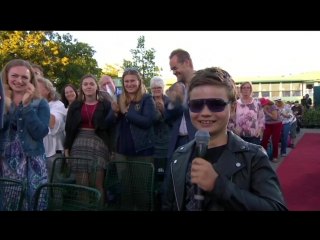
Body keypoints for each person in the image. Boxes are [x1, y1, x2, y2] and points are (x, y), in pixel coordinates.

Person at [162, 67, 288, 211]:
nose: (205, 113)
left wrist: (218, 185)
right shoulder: (180, 156)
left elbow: (276, 207)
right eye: (196, 105)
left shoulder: (253, 157)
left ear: (233, 108)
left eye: (216, 104)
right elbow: (169, 204)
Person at [0, 59, 50, 211]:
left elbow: (40, 133)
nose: (19, 81)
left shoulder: (40, 103)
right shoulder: (1, 101)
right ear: (7, 77)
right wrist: (6, 105)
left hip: (32, 160)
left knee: (33, 202)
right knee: (8, 203)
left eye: (24, 77)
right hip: (5, 161)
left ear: (31, 80)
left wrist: (27, 106)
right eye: (14, 76)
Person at [64, 74, 116, 208]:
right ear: (81, 87)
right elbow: (69, 129)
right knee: (82, 185)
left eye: (91, 84)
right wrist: (67, 149)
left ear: (96, 86)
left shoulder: (105, 104)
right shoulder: (75, 105)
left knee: (97, 184)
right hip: (78, 144)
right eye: (85, 84)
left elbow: (111, 128)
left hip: (99, 144)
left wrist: (112, 148)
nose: (88, 86)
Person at [111, 67, 157, 210]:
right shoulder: (119, 98)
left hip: (141, 151)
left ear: (139, 82)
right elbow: (109, 122)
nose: (129, 84)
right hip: (121, 151)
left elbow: (148, 121)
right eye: (126, 81)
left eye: (132, 81)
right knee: (125, 190)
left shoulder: (146, 99)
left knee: (140, 190)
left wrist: (125, 111)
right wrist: (115, 112)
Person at [164, 49, 197, 173]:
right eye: (172, 69)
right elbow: (167, 117)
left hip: (197, 142)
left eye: (175, 68)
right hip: (177, 142)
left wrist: (186, 102)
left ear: (187, 62)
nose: (174, 72)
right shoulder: (175, 87)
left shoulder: (204, 83)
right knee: (173, 180)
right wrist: (173, 103)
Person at [37, 76, 67, 181]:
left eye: (36, 87)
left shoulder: (58, 105)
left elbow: (53, 124)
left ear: (48, 90)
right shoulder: (31, 104)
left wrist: (41, 103)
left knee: (54, 187)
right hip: (37, 152)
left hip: (52, 154)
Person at [150, 76, 173, 183]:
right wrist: (157, 113)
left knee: (166, 169)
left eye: (158, 88)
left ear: (163, 88)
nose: (156, 90)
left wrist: (164, 111)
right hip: (153, 141)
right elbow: (148, 121)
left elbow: (173, 122)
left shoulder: (170, 101)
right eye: (154, 88)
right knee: (155, 171)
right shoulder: (148, 102)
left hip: (168, 140)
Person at [260, 98, 282, 163]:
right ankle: (264, 155)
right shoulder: (262, 108)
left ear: (267, 103)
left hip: (276, 124)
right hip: (267, 124)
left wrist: (266, 112)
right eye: (262, 105)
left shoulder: (273, 107)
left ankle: (275, 156)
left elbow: (275, 118)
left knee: (275, 140)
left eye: (264, 105)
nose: (263, 106)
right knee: (264, 140)